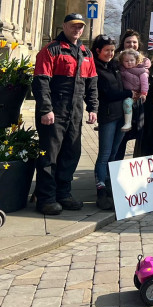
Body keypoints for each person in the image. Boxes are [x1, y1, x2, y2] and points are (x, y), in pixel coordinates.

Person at [31, 13, 98, 215]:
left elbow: (92, 83)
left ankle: (63, 194)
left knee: (71, 153)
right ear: (64, 26)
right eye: (73, 26)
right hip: (54, 111)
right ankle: (46, 198)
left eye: (80, 27)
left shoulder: (86, 53)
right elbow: (41, 81)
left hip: (75, 112)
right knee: (49, 156)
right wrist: (46, 109)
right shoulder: (51, 49)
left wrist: (93, 107)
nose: (77, 30)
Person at [91, 34, 135, 210]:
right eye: (106, 50)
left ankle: (110, 185)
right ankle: (101, 187)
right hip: (107, 116)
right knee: (104, 154)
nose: (110, 53)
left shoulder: (114, 66)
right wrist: (129, 94)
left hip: (120, 116)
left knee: (114, 154)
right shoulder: (97, 69)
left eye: (112, 50)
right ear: (98, 51)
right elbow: (107, 94)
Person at [113, 30, 151, 160]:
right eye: (128, 42)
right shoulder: (116, 61)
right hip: (119, 105)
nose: (131, 44)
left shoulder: (144, 62)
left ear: (138, 44)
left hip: (139, 106)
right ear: (123, 43)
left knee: (140, 140)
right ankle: (112, 173)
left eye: (134, 42)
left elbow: (146, 81)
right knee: (119, 142)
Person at [117, 49, 149, 132]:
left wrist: (144, 93)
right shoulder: (121, 71)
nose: (129, 62)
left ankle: (128, 123)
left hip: (136, 95)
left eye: (132, 60)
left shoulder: (141, 71)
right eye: (126, 61)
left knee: (127, 103)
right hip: (125, 93)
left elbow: (144, 82)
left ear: (136, 60)